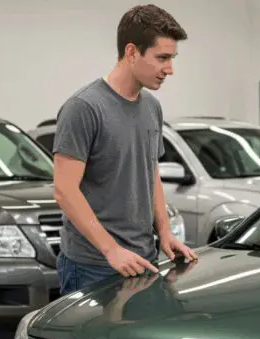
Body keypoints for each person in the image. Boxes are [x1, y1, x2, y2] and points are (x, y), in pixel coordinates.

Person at [52, 4, 196, 295]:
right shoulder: (83, 108)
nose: (170, 69)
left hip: (143, 259)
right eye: (162, 58)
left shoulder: (152, 107)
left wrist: (165, 232)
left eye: (172, 58)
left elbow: (150, 173)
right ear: (132, 52)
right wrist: (111, 250)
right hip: (92, 266)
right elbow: (64, 191)